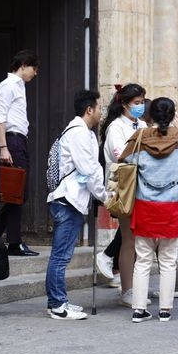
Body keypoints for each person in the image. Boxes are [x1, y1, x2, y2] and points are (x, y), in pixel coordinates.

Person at [119, 98, 178, 323]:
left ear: (150, 115)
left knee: (142, 259)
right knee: (168, 259)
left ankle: (139, 309)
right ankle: (165, 310)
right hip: (171, 205)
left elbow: (124, 160)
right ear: (172, 114)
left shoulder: (140, 136)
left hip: (145, 204)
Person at [45, 90, 110, 320]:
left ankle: (59, 301)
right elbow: (89, 169)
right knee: (61, 256)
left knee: (62, 254)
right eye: (99, 108)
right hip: (68, 200)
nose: (101, 112)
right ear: (89, 110)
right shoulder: (79, 133)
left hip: (70, 199)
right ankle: (57, 305)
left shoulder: (81, 132)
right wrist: (104, 195)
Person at [100, 83, 149, 306]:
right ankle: (127, 289)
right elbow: (122, 155)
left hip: (142, 186)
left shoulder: (143, 124)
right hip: (124, 188)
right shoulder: (116, 127)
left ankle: (136, 287)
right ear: (124, 104)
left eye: (142, 102)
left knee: (139, 240)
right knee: (129, 239)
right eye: (136, 103)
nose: (140, 106)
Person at [0, 50, 40, 257]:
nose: (35, 73)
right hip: (12, 141)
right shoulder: (8, 85)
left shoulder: (19, 86)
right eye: (34, 68)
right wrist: (4, 147)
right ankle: (13, 242)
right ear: (23, 65)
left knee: (19, 193)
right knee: (16, 193)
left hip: (19, 140)